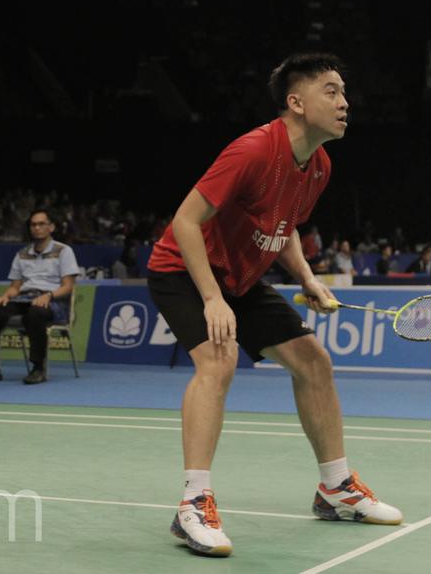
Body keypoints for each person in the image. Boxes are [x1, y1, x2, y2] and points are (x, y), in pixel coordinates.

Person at [146, 52, 402, 558]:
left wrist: (307, 277)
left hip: (241, 278)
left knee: (314, 363)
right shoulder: (253, 151)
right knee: (218, 362)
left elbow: (282, 228)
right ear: (296, 102)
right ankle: (192, 505)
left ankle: (335, 489)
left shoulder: (318, 166)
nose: (344, 102)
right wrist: (213, 299)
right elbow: (185, 221)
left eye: (344, 92)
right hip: (185, 268)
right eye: (331, 91)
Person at [0, 209, 80, 385]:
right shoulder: (22, 254)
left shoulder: (64, 251)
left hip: (53, 302)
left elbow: (68, 286)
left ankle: (38, 368)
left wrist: (49, 296)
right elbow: (15, 287)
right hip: (23, 299)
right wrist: (5, 297)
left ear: (51, 227)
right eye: (33, 224)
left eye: (41, 224)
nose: (37, 228)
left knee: (35, 314)